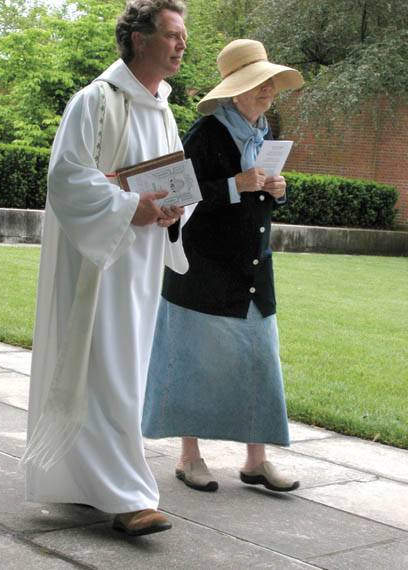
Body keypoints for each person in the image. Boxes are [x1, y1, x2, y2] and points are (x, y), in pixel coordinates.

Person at [22, 0, 189, 536]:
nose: (182, 44)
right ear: (139, 39)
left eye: (182, 36)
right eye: (173, 34)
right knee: (107, 370)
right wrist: (128, 207)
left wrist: (175, 208)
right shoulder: (95, 100)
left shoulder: (164, 109)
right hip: (98, 265)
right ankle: (129, 496)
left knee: (122, 373)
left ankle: (86, 482)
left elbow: (177, 180)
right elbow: (67, 178)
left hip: (140, 265)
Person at [142, 39, 304, 493]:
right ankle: (189, 456)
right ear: (236, 90)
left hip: (253, 270)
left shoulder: (265, 132)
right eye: (258, 84)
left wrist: (277, 191)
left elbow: (257, 202)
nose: (267, 90)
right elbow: (177, 195)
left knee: (259, 362)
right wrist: (234, 184)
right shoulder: (205, 133)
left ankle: (256, 461)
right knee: (193, 364)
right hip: (203, 270)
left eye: (270, 83)